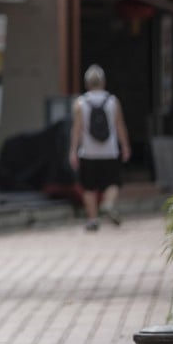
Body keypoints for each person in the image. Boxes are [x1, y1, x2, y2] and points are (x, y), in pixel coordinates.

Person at [68, 64, 131, 231]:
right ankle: (108, 204)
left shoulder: (80, 103)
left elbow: (76, 130)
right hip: (109, 151)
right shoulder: (112, 101)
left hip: (88, 152)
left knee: (88, 187)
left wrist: (73, 151)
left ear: (87, 83)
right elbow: (120, 126)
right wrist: (124, 146)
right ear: (103, 82)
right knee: (113, 183)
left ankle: (93, 219)